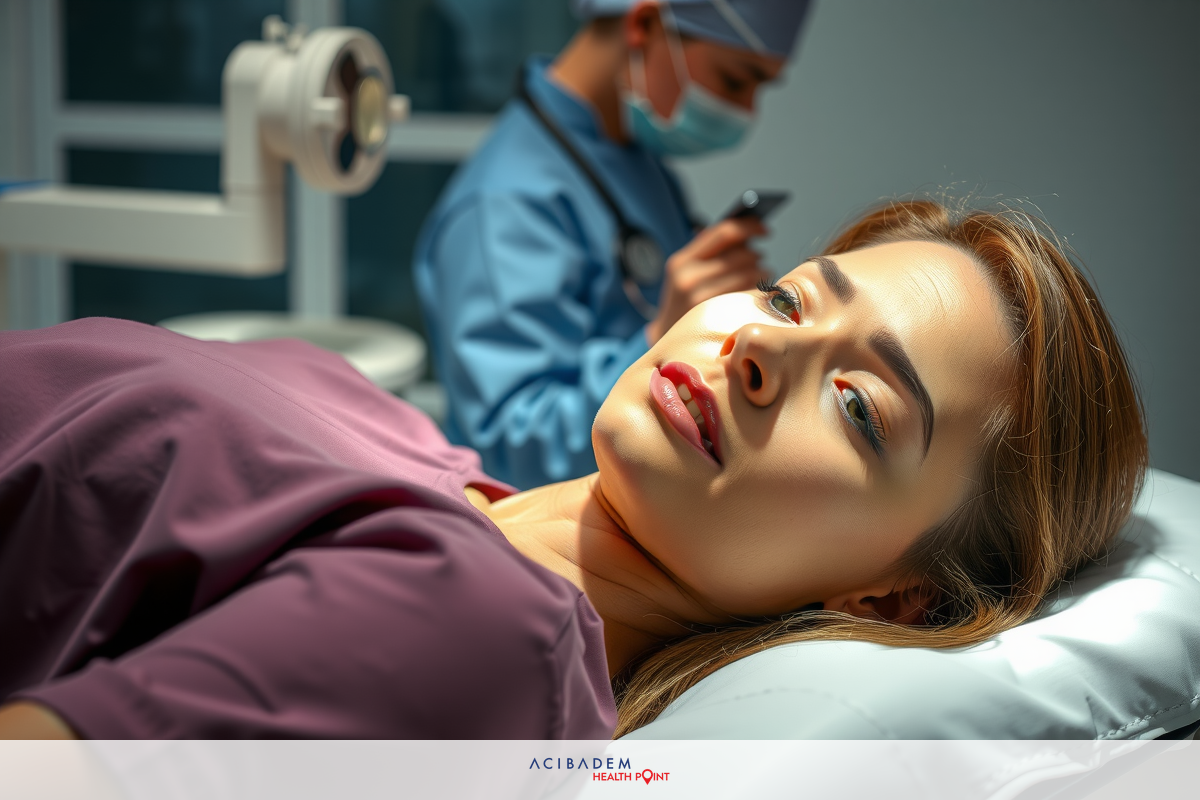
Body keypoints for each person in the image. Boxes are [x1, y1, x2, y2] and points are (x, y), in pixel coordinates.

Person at [0, 198, 1146, 739]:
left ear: (887, 596)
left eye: (858, 404)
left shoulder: (485, 628)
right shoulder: (431, 461)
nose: (759, 345)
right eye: (791, 297)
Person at [414, 0, 812, 489]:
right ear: (644, 23)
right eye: (735, 80)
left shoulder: (634, 161)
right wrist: (662, 331)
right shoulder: (503, 203)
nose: (748, 111)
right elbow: (511, 451)